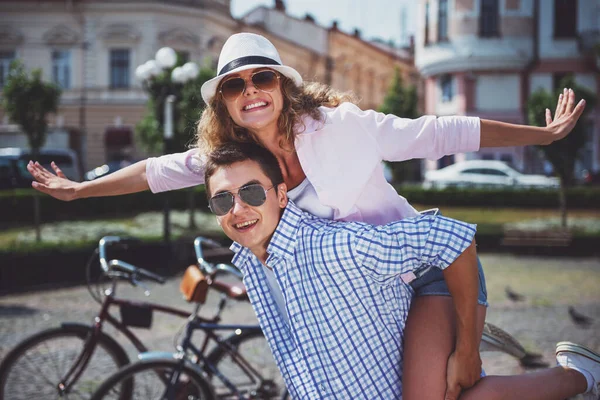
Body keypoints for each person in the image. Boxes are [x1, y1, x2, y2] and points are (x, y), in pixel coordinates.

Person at [27, 32, 587, 399]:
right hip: (371, 293)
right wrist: (81, 188)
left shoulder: (343, 125)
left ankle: (580, 376)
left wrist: (542, 135)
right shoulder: (239, 162)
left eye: (261, 77)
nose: (250, 91)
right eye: (234, 85)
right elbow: (155, 170)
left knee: (436, 393)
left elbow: (440, 131)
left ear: (282, 84)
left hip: (425, 270)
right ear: (222, 101)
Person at [203, 141, 599, 400]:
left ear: (282, 194)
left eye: (252, 192)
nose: (237, 209)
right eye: (222, 201)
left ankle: (577, 377)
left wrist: (465, 349)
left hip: (433, 292)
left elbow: (450, 236)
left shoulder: (334, 246)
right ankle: (578, 376)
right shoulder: (254, 263)